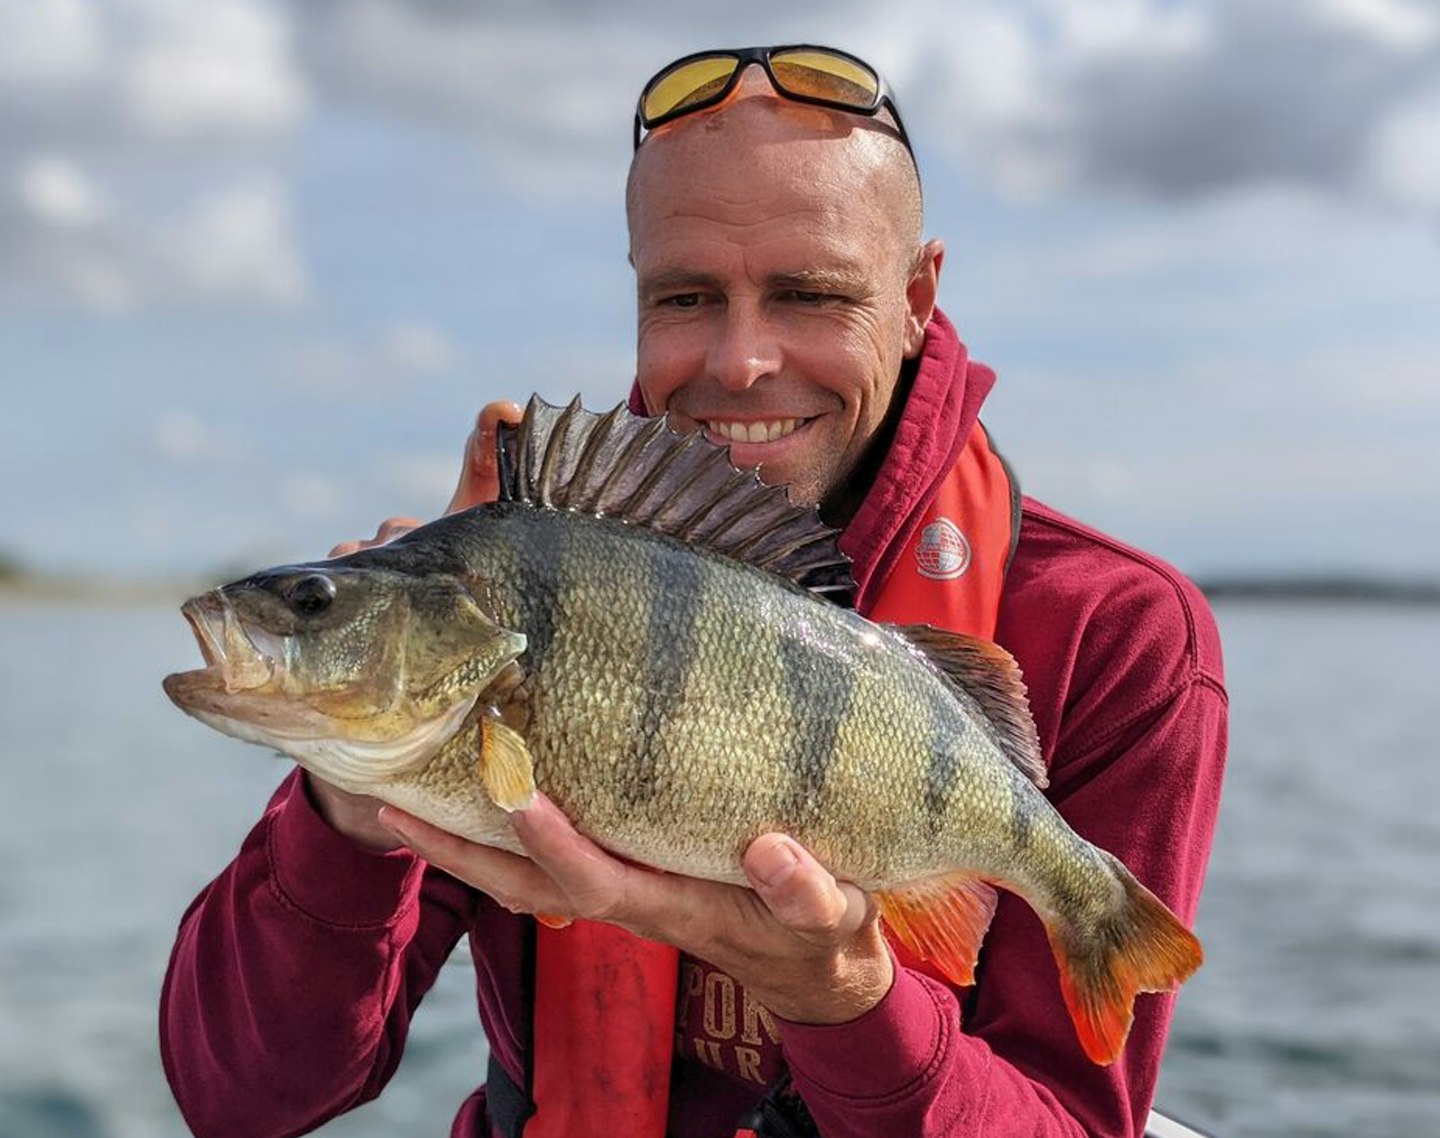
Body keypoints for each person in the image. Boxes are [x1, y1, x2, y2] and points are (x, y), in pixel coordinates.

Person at [160, 45, 1226, 1138]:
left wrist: (845, 1000)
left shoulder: (1117, 632)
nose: (743, 359)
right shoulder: (511, 578)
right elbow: (239, 1098)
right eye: (685, 295)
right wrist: (350, 803)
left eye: (810, 293)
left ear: (915, 300)